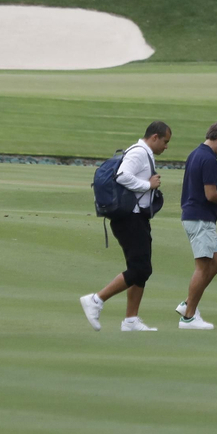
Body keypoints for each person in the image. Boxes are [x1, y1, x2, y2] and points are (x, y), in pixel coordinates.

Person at [80, 121, 171, 332]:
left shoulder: (142, 153)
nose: (166, 147)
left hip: (137, 218)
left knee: (141, 269)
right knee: (140, 268)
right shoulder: (139, 153)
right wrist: (148, 185)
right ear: (154, 137)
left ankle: (131, 320)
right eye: (165, 142)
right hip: (129, 218)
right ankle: (96, 300)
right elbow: (122, 175)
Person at [169, 121, 217, 330]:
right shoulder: (209, 159)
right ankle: (189, 317)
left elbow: (209, 192)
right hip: (200, 218)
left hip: (197, 216)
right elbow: (210, 194)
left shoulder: (196, 153)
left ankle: (187, 304)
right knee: (203, 267)